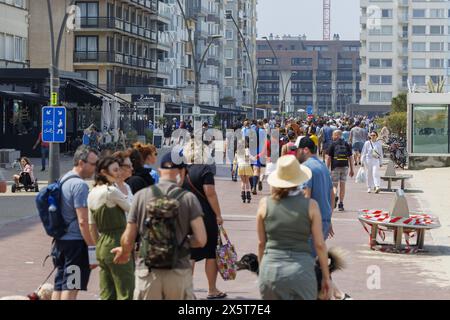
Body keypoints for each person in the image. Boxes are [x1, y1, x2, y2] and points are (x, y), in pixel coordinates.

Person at [111, 152, 207, 300]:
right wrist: (178, 242)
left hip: (148, 271)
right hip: (178, 271)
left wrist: (124, 251)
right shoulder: (188, 198)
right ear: (182, 172)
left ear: (160, 171)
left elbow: (129, 237)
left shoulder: (141, 196)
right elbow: (201, 239)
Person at [257, 155, 332, 300]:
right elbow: (319, 244)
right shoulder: (311, 206)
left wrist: (263, 270)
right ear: (299, 179)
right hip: (301, 270)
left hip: (271, 270)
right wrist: (326, 277)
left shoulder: (264, 204)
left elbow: (261, 244)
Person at [52, 146, 99, 300]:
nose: (95, 168)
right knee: (71, 286)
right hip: (75, 244)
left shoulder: (64, 179)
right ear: (81, 162)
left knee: (59, 284)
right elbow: (83, 221)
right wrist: (92, 247)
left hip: (60, 242)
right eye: (93, 164)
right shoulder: (80, 186)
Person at [182, 143, 227, 299]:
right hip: (205, 215)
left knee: (191, 254)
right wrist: (218, 215)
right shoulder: (205, 170)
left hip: (188, 215)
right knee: (211, 253)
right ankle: (212, 289)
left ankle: (187, 289)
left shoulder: (184, 170)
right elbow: (210, 193)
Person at [88, 157, 134, 300]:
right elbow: (132, 210)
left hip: (102, 244)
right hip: (117, 242)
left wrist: (97, 247)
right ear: (103, 172)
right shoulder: (111, 191)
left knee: (107, 293)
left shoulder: (91, 193)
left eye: (119, 169)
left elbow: (91, 226)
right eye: (115, 170)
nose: (118, 173)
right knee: (126, 291)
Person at [326, 130, 354, 212]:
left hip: (335, 166)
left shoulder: (333, 144)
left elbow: (329, 158)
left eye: (333, 135)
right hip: (345, 166)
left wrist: (327, 169)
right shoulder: (347, 144)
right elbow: (350, 157)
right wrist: (352, 169)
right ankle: (341, 203)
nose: (332, 136)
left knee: (334, 186)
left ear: (337, 135)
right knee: (343, 185)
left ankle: (334, 198)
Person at [233, 137, 253, 203]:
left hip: (240, 166)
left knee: (242, 182)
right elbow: (249, 157)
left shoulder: (237, 151)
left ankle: (243, 196)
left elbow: (235, 161)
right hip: (246, 166)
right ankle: (248, 196)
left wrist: (233, 169)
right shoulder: (247, 149)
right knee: (247, 182)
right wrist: (254, 158)